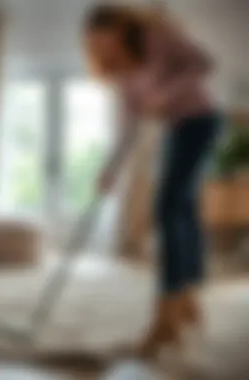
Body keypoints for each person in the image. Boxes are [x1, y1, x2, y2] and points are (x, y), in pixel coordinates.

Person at [83, 4, 221, 357]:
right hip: (179, 128)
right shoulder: (122, 72)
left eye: (106, 38)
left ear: (118, 27)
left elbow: (204, 63)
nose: (105, 48)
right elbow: (126, 126)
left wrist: (166, 94)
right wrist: (110, 170)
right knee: (183, 208)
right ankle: (187, 303)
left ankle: (166, 317)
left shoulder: (155, 34)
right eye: (97, 45)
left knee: (166, 206)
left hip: (202, 120)